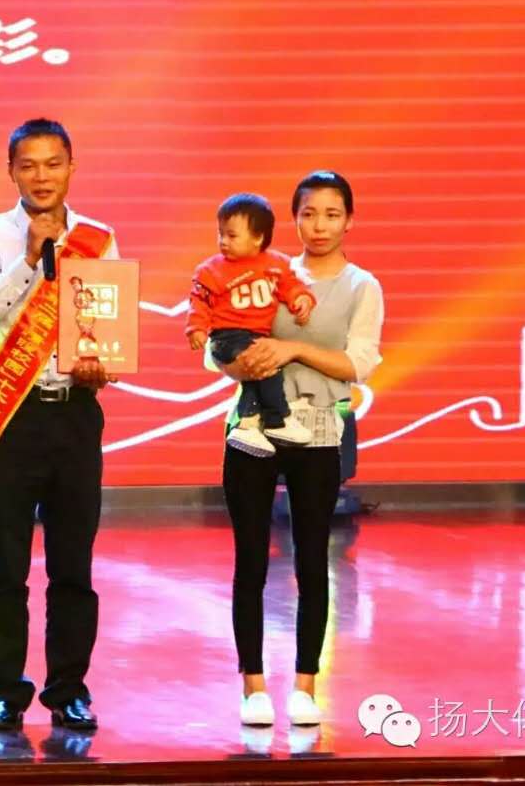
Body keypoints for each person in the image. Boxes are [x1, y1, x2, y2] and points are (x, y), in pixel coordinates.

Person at [0, 118, 117, 732]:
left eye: (53, 163)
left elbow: (104, 326)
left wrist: (102, 366)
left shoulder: (98, 240)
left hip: (74, 413)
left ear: (71, 166)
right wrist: (27, 261)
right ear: (11, 171)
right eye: (29, 165)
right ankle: (4, 691)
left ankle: (69, 689)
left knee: (73, 564)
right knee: (4, 567)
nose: (42, 176)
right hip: (10, 417)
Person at [215, 171, 384, 727]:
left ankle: (306, 686)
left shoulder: (362, 286)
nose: (319, 226)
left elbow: (358, 363)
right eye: (309, 214)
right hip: (252, 432)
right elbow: (220, 345)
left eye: (332, 214)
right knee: (250, 562)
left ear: (350, 221)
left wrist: (291, 350)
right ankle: (253, 686)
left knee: (313, 562)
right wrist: (241, 362)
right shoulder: (266, 272)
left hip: (317, 435)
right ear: (294, 219)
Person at [185, 193, 316, 457]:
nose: (223, 241)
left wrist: (301, 299)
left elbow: (291, 286)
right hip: (227, 338)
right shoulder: (211, 271)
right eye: (220, 234)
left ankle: (247, 425)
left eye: (232, 235)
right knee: (267, 364)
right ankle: (278, 420)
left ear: (258, 238)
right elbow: (199, 301)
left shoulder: (276, 264)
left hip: (255, 335)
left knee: (261, 366)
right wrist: (196, 329)